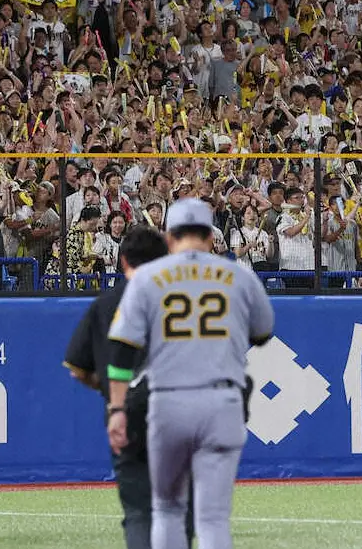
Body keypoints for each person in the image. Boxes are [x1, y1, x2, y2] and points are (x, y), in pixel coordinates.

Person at [107, 198, 274, 549]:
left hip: (169, 401)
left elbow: (121, 350)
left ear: (169, 238)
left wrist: (118, 410)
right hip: (221, 401)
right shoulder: (239, 275)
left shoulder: (147, 278)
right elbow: (262, 333)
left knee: (167, 509)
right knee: (212, 518)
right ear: (211, 238)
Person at [64, 224, 193, 549]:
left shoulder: (105, 304)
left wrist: (110, 390)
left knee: (138, 510)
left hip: (126, 412)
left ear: (123, 262)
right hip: (179, 409)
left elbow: (77, 370)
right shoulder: (184, 302)